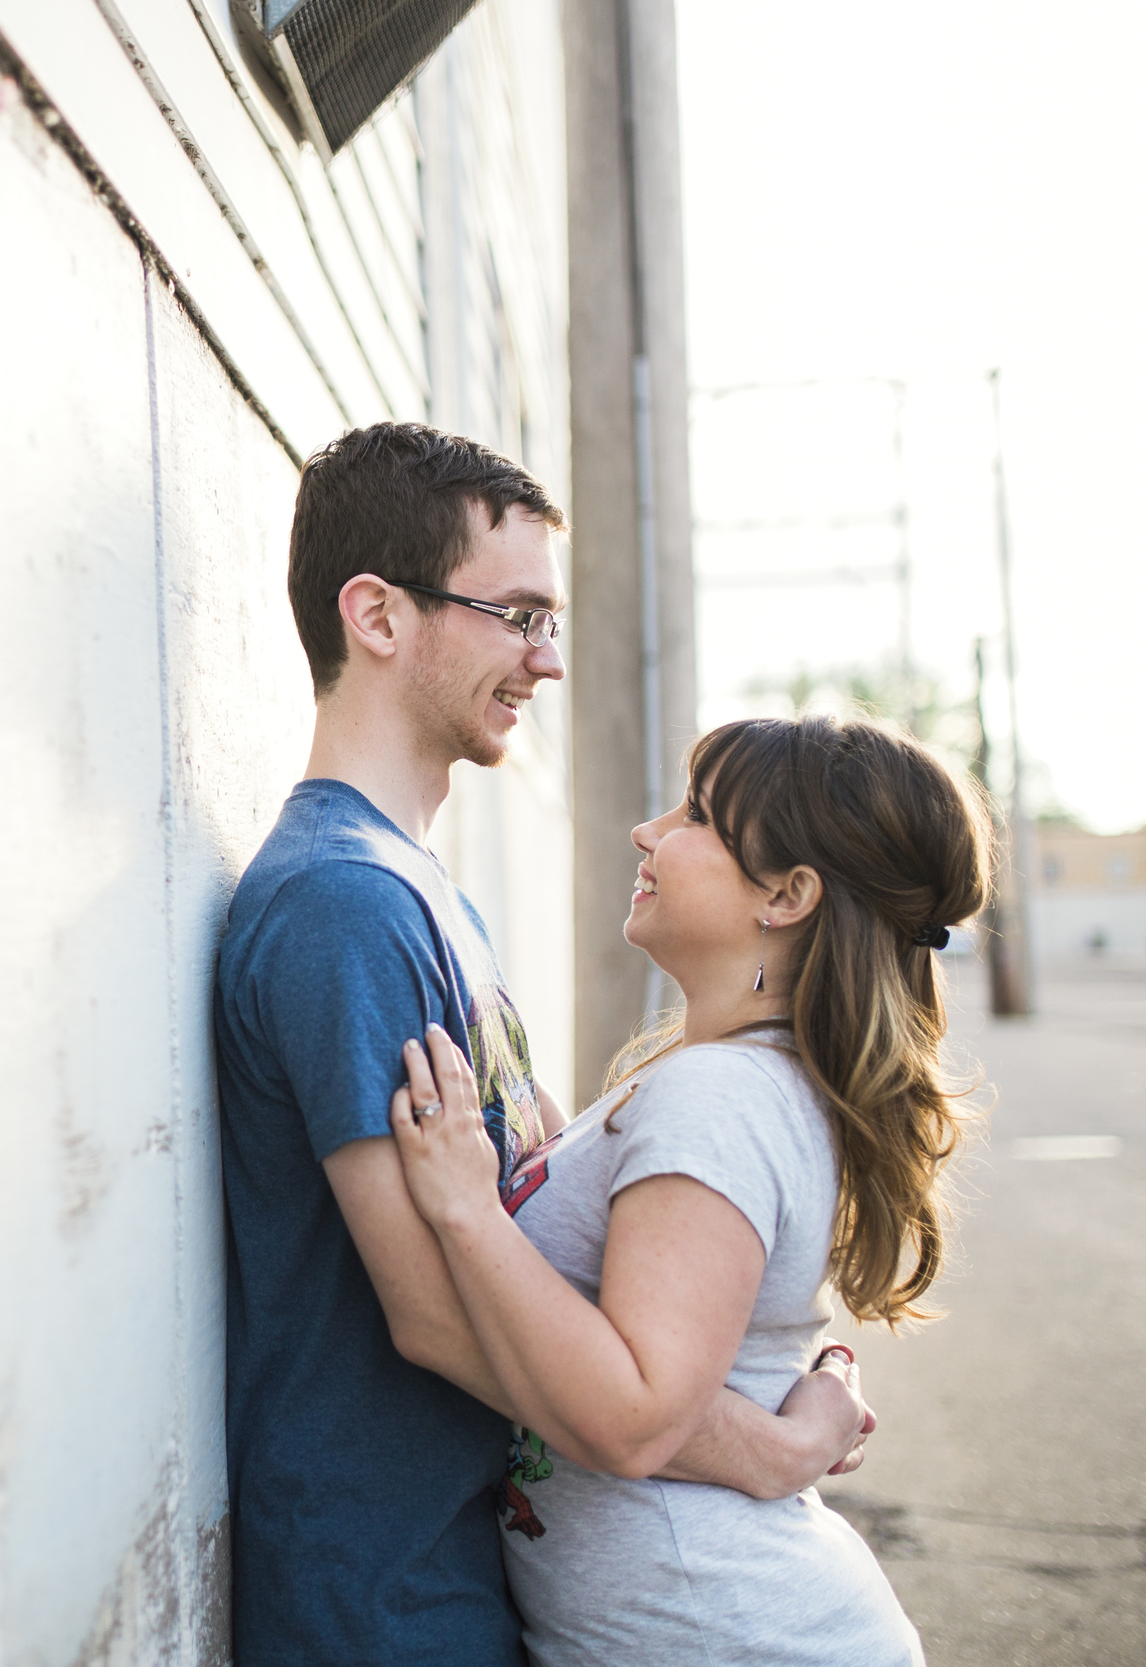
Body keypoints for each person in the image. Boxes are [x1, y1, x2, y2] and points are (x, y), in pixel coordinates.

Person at [214, 424, 874, 1667]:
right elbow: (435, 1317)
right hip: (383, 1596)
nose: (549, 658)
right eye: (516, 615)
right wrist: (774, 1445)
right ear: (377, 614)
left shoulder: (425, 897)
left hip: (474, 1566)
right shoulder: (339, 907)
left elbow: (558, 1217)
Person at [389, 713, 989, 1665]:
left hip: (728, 1633)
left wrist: (467, 1211)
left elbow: (632, 1413)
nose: (649, 831)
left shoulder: (722, 1097)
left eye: (698, 816)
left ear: (787, 895)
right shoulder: (727, 1076)